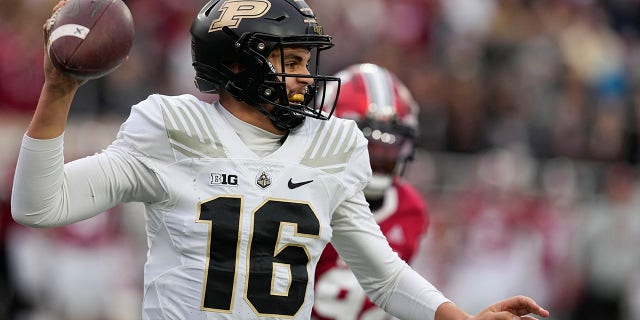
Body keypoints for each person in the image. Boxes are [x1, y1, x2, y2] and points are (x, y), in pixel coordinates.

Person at [11, 0, 550, 319]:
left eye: (306, 60)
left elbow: (381, 274)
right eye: (290, 60)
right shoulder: (171, 128)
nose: (306, 78)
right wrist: (58, 90)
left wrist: (456, 317)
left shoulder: (333, 146)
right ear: (239, 66)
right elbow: (40, 205)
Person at [312, 63, 429, 320]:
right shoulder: (306, 195)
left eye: (390, 146)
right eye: (367, 145)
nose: (377, 158)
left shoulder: (410, 209)